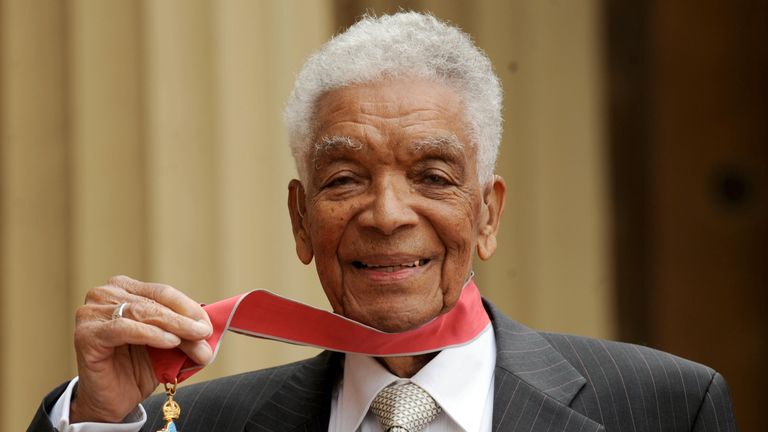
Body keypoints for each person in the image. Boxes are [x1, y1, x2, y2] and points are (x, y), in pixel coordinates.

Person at [29, 12, 736, 432]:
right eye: (344, 180)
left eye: (432, 177)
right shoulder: (205, 425)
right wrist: (99, 416)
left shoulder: (663, 407)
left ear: (487, 214)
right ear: (302, 223)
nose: (388, 214)